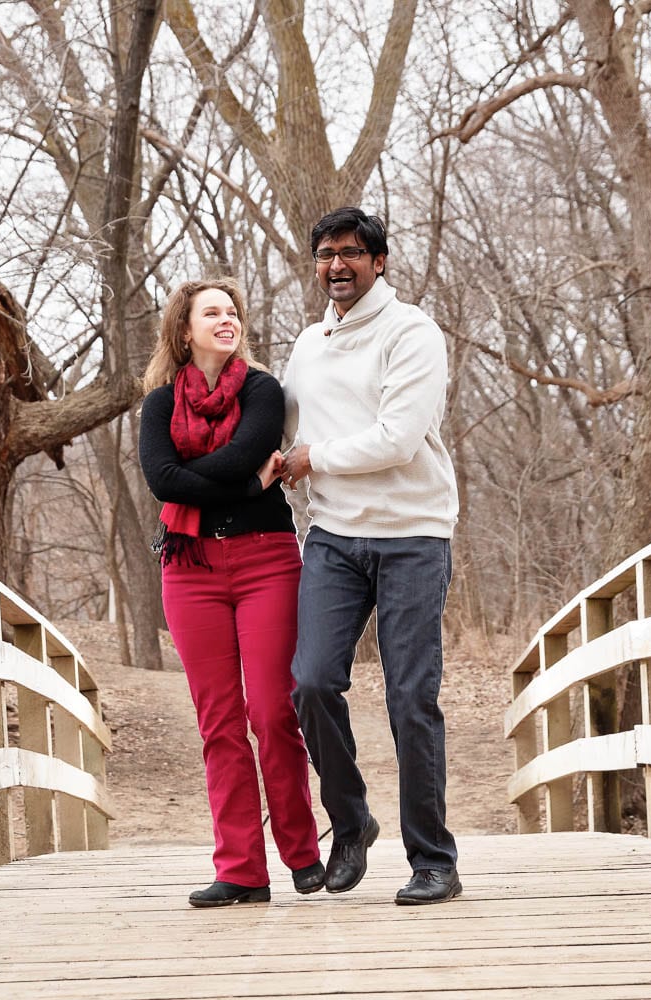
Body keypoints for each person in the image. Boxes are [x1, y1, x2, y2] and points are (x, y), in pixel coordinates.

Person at [279, 207, 462, 905]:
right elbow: (279, 421)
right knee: (312, 682)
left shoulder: (411, 333)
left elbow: (397, 438)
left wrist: (312, 458)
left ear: (379, 262)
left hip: (413, 536)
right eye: (326, 254)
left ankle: (434, 860)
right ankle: (351, 823)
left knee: (411, 697)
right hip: (332, 539)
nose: (337, 266)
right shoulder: (308, 345)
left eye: (352, 253)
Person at [139, 278, 323, 908]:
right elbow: (164, 482)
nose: (226, 320)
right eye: (211, 312)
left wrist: (213, 479)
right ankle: (242, 868)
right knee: (219, 721)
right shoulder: (159, 404)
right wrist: (248, 487)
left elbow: (243, 453)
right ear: (184, 330)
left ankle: (302, 852)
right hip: (189, 569)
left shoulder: (262, 390)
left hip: (266, 561)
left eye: (232, 311)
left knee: (271, 711)